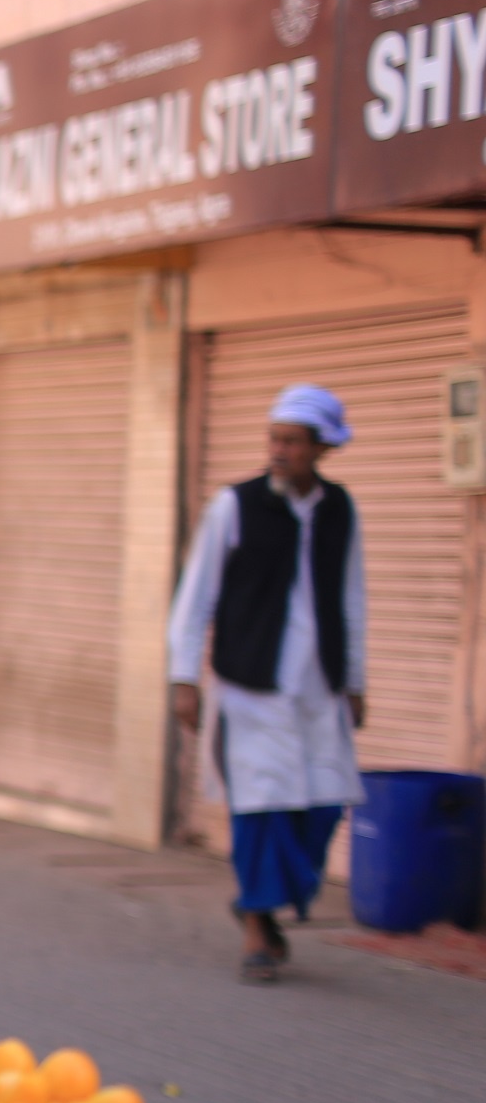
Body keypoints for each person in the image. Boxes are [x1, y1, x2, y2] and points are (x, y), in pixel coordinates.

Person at [169, 385, 368, 982]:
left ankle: (264, 899)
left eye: (292, 442)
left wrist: (356, 679)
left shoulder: (340, 509)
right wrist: (184, 677)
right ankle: (258, 924)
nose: (279, 452)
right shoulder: (234, 506)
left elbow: (352, 597)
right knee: (259, 806)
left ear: (321, 449)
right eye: (274, 439)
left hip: (318, 689)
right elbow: (195, 597)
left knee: (324, 804)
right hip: (249, 687)